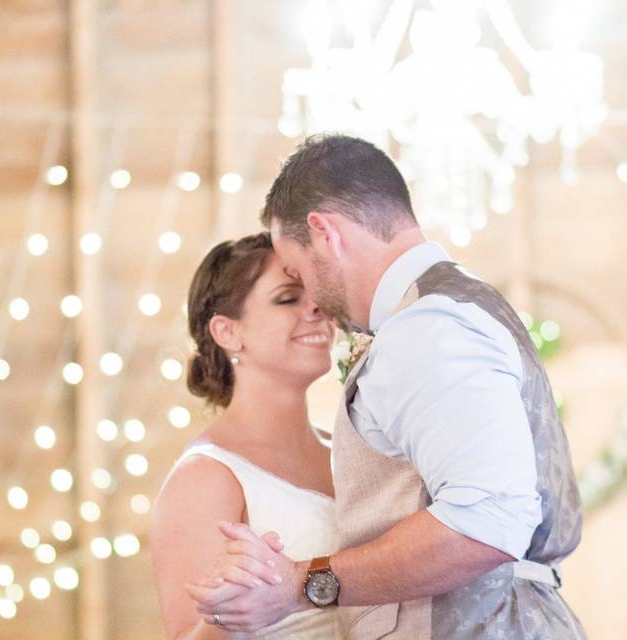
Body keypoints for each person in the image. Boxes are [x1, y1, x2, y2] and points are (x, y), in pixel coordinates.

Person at [186, 135, 587, 639]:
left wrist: (299, 585)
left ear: (325, 233)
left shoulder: (427, 327)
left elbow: (487, 520)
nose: (309, 296)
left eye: (297, 270)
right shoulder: (451, 307)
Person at [151, 232, 341, 639]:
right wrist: (226, 611)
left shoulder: (349, 448)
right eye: (288, 298)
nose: (317, 308)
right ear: (228, 332)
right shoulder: (205, 478)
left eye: (316, 292)